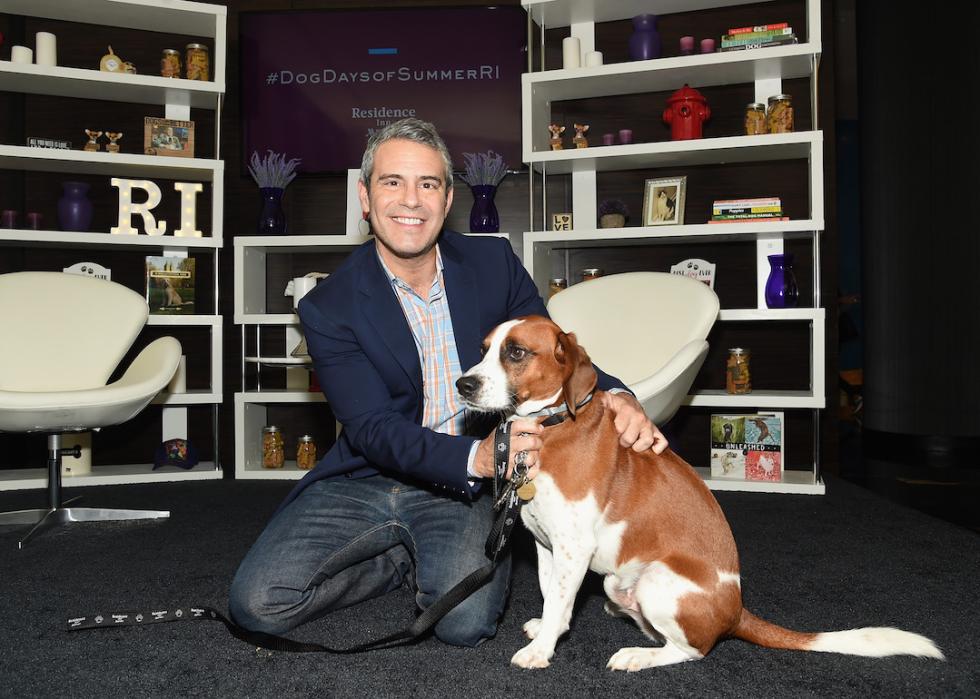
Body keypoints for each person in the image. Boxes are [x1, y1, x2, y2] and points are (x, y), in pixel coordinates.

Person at [228, 118, 667, 647]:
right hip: (368, 476)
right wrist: (477, 459)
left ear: (447, 196)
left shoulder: (492, 262)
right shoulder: (327, 306)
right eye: (392, 182)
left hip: (462, 487)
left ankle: (416, 556)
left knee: (464, 624)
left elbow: (551, 348)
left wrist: (618, 395)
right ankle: (396, 560)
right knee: (258, 606)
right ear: (364, 197)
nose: (410, 200)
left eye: (428, 184)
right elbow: (370, 428)